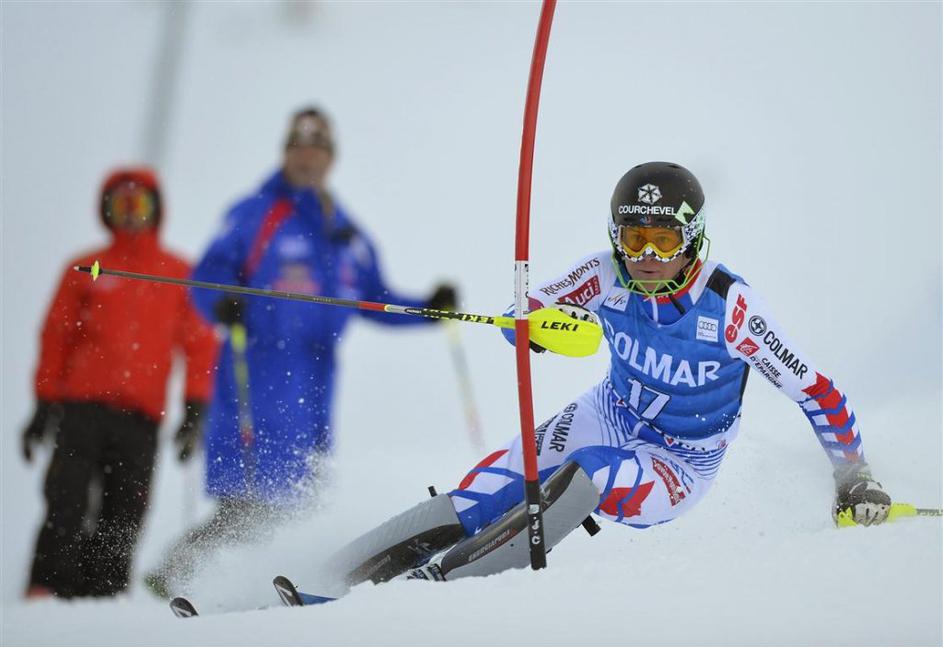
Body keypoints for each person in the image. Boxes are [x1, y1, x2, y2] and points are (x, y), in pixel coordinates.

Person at [291, 161, 891, 598]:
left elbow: (816, 391)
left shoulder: (731, 308)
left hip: (679, 461)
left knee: (591, 474)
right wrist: (537, 325)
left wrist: (854, 475)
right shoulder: (604, 273)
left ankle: (428, 597)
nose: (647, 255)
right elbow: (524, 318)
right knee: (485, 494)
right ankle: (324, 581)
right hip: (607, 411)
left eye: (664, 239)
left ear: (693, 239)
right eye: (635, 238)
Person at [144, 107, 457, 596]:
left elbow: (374, 298)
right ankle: (182, 579)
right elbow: (206, 277)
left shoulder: (343, 231)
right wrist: (222, 300)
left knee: (292, 506)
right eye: (300, 147)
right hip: (259, 378)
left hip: (313, 391)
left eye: (318, 149)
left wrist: (427, 310)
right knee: (252, 504)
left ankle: (247, 590)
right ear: (286, 152)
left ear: (330, 158)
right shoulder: (255, 213)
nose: (308, 158)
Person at [22, 167, 217, 599]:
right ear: (106, 210)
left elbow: (201, 344)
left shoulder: (176, 273)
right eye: (121, 204)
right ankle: (44, 594)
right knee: (66, 503)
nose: (131, 214)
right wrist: (42, 403)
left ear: (155, 210)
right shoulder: (87, 268)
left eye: (140, 204)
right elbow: (56, 336)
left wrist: (195, 409)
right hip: (80, 413)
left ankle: (101, 603)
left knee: (124, 515)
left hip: (140, 420)